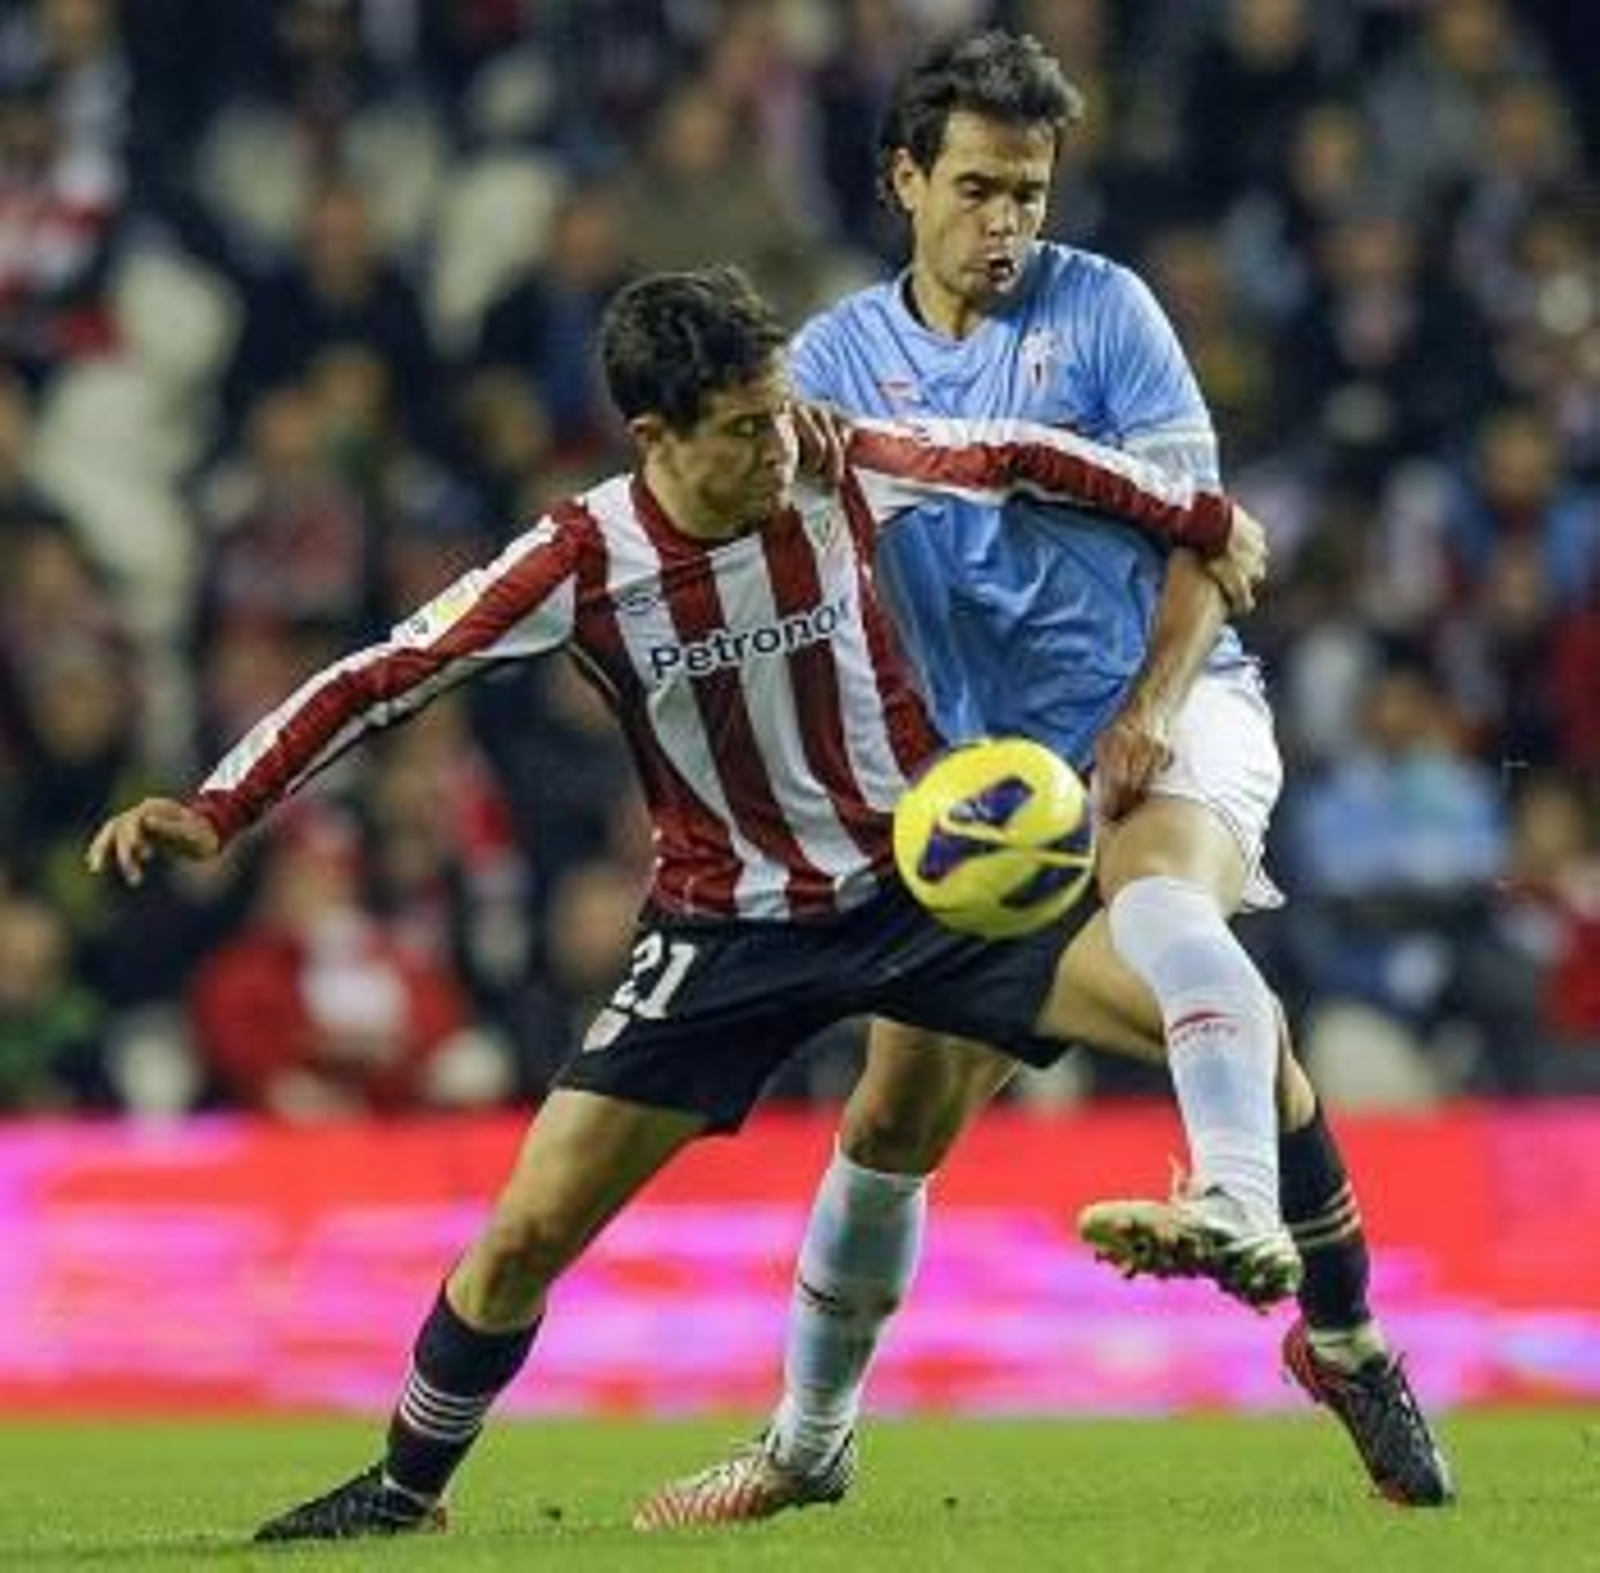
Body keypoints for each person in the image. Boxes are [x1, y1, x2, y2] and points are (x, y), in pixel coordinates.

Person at [86, 264, 1264, 1541]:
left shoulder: (838, 457)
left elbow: (1027, 457)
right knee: (531, 1226)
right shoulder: (582, 558)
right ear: (656, 437)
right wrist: (218, 806)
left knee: (1206, 993)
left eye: (778, 412)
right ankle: (405, 1490)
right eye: (743, 429)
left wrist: (1201, 514)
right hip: (723, 927)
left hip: (919, 887)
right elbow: (387, 676)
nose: (778, 447)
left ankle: (1299, 1262)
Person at [636, 31, 1453, 1528]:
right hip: (978, 792)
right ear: (903, 179)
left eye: (1030, 191)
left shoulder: (1112, 314)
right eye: (978, 189)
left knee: (1165, 904)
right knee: (895, 1115)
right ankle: (811, 1445)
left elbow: (1212, 540)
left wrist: (1144, 708)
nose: (1008, 222)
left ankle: (1245, 1222)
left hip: (1166, 707)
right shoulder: (826, 365)